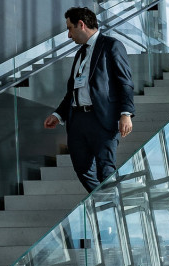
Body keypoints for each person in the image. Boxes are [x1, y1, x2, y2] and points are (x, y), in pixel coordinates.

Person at [43, 6, 135, 192]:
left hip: (101, 118)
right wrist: (58, 114)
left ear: (81, 24)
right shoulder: (80, 53)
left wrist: (126, 113)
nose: (69, 35)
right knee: (82, 169)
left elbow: (125, 82)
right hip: (77, 120)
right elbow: (72, 91)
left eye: (70, 28)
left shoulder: (111, 45)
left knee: (106, 169)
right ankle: (104, 201)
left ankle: (109, 204)